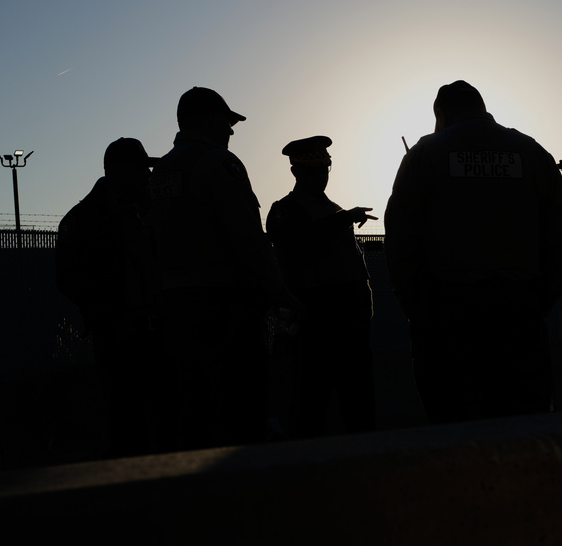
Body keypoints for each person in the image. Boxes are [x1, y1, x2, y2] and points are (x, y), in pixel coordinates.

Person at [384, 80, 562, 423]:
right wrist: (539, 301)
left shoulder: (424, 155)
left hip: (449, 314)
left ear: (441, 114)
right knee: (524, 428)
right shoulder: (532, 153)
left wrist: (419, 312)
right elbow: (560, 238)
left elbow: (400, 242)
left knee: (457, 429)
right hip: (519, 311)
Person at [148, 87, 299, 451]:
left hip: (174, 310)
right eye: (227, 122)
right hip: (226, 310)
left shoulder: (160, 171)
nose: (231, 132)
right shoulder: (218, 164)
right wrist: (281, 294)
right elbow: (248, 238)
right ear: (209, 120)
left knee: (194, 410)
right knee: (241, 412)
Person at [55, 137, 162, 457]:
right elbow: (69, 279)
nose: (147, 174)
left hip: (155, 331)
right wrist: (115, 318)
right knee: (127, 422)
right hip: (119, 337)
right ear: (116, 170)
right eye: (140, 168)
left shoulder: (147, 210)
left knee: (155, 418)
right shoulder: (84, 219)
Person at [266, 136, 378, 437]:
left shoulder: (332, 209)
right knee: (310, 399)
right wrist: (343, 219)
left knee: (359, 400)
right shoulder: (286, 210)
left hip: (350, 319)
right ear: (296, 173)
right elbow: (299, 241)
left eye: (325, 169)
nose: (321, 177)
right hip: (316, 317)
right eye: (313, 171)